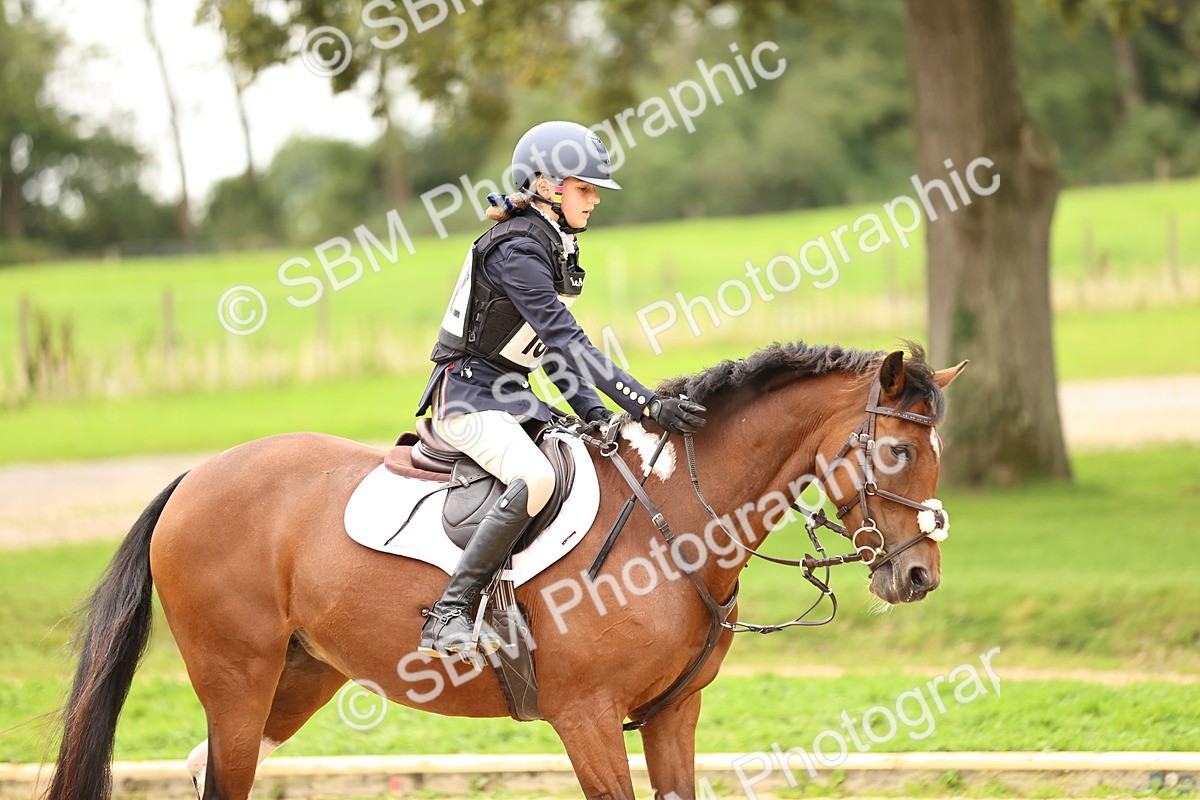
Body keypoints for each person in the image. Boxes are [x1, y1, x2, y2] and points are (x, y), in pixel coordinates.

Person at [414, 120, 706, 658]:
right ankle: (449, 611)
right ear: (547, 186)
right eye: (585, 188)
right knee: (537, 477)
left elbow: (546, 352)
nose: (595, 200)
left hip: (512, 396)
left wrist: (595, 415)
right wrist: (646, 404)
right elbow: (567, 341)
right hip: (467, 398)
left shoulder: (549, 244)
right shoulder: (517, 251)